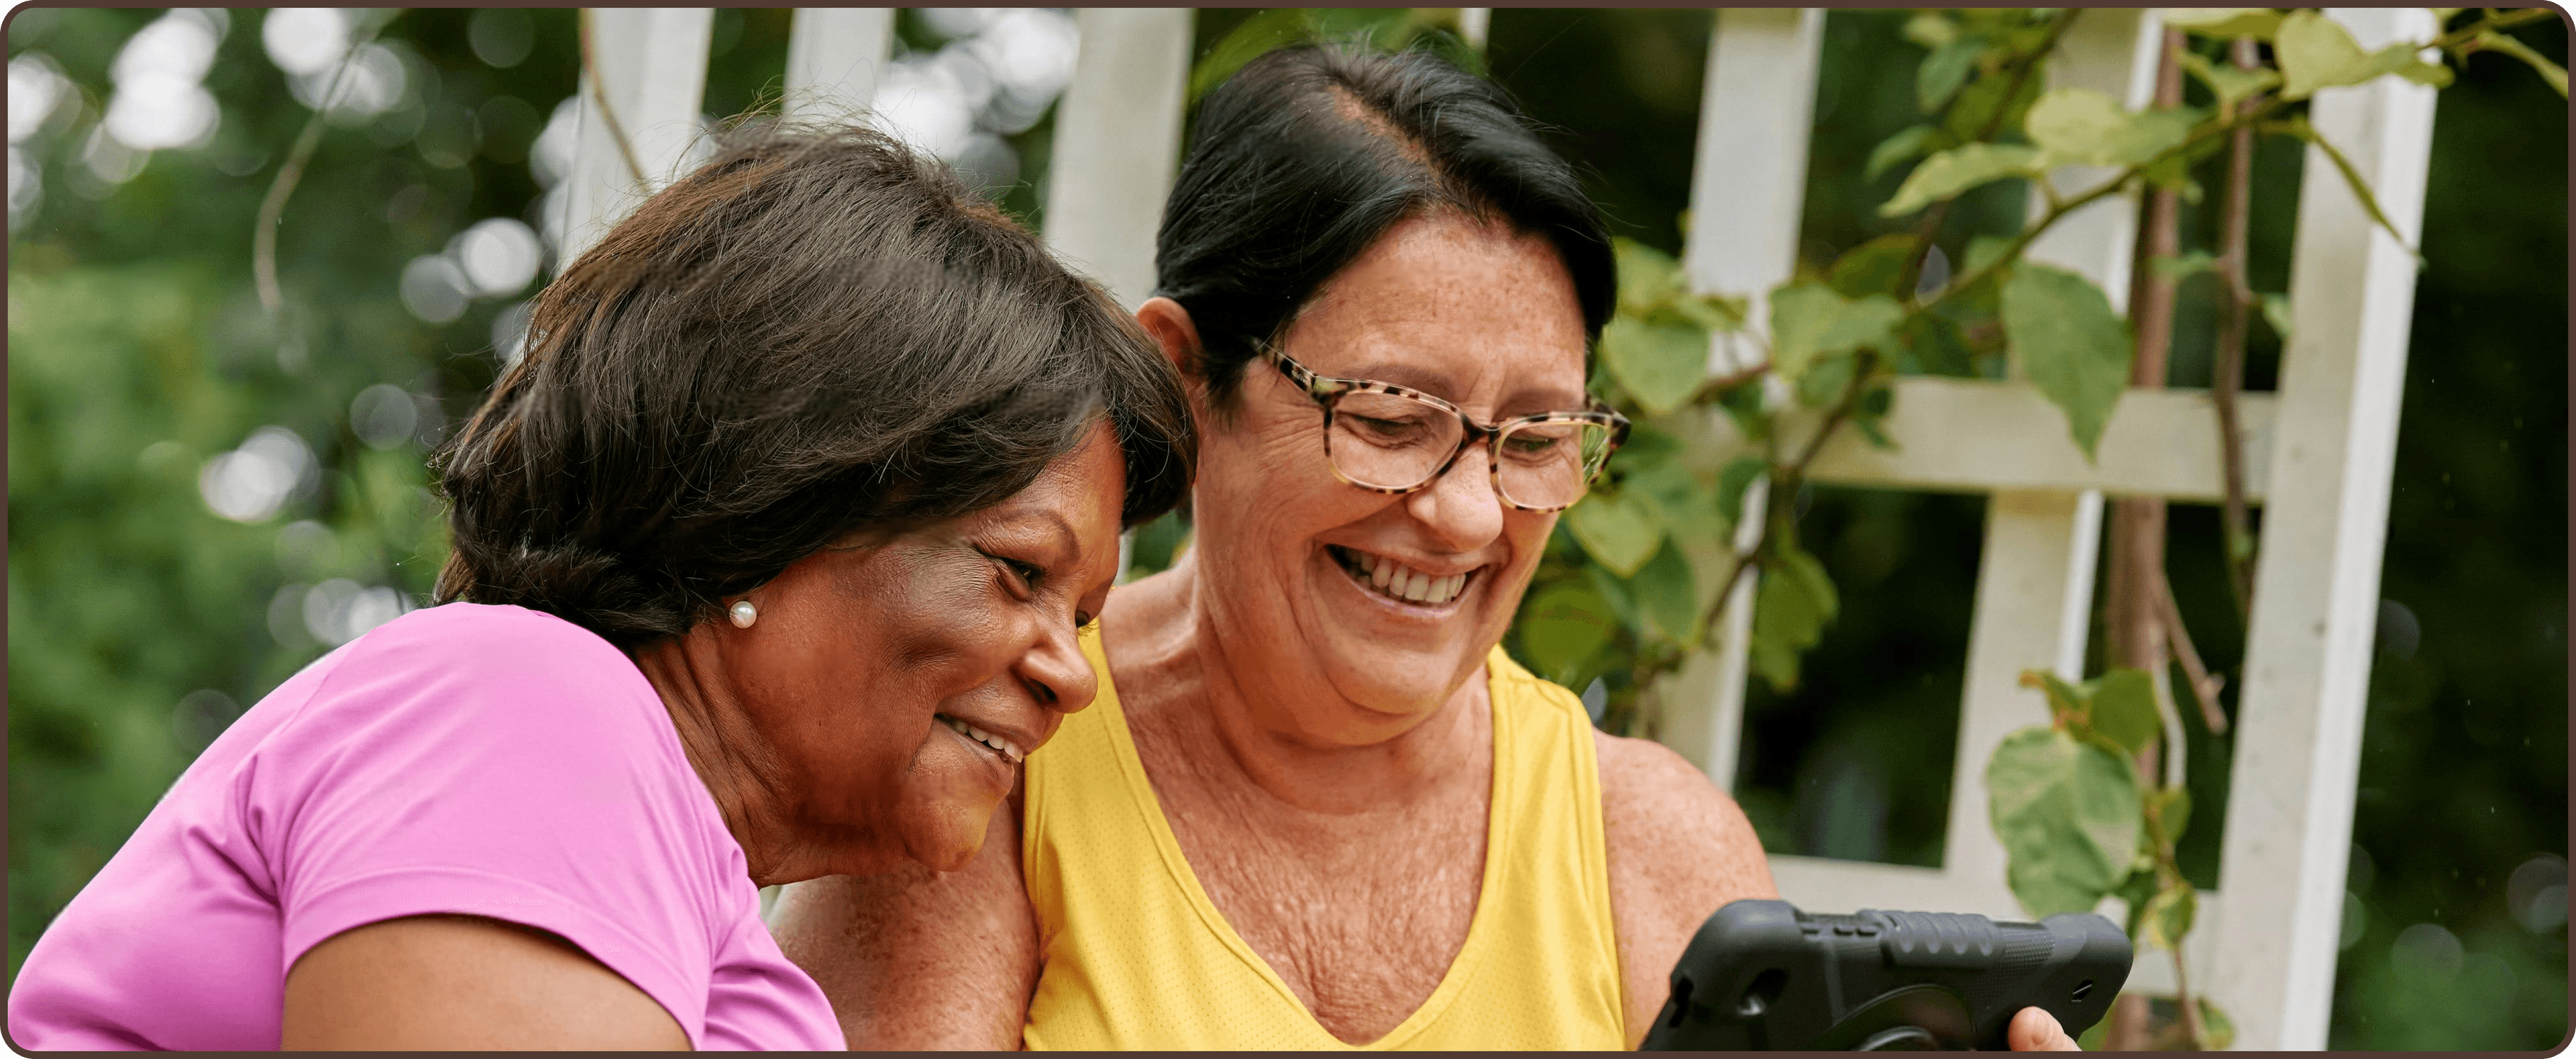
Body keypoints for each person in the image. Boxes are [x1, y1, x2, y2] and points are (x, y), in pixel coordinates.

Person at [771, 45, 2081, 1052]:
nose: (1465, 517)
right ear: (1180, 381)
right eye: (1392, 418)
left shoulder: (1650, 847)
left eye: (1533, 437)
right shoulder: (986, 775)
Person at [5, 123, 1193, 1050]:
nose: (1070, 673)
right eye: (1020, 572)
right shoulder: (532, 709)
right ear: (771, 500)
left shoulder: (678, 872)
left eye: (1082, 615)